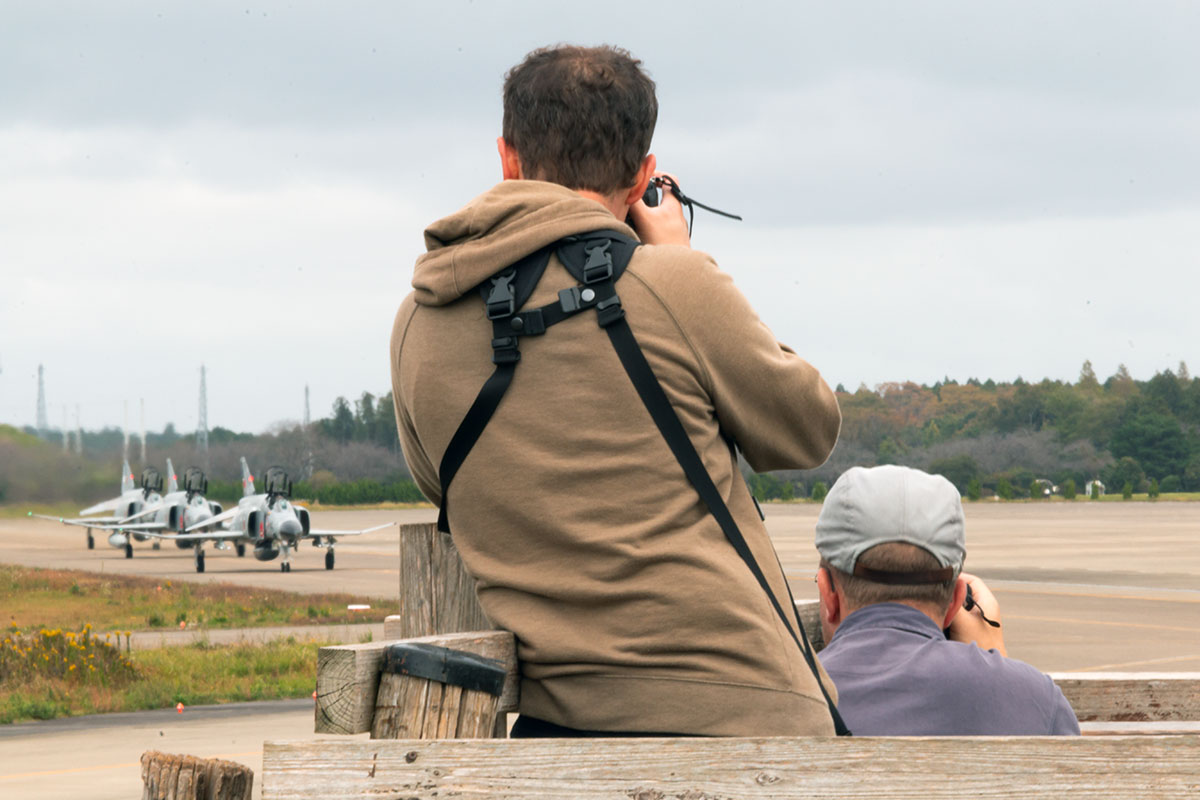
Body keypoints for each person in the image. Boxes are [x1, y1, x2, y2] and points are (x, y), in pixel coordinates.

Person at [390, 44, 843, 737]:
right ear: (643, 177)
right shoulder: (673, 283)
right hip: (742, 716)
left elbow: (440, 482)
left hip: (561, 725)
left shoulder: (420, 318)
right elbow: (807, 429)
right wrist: (679, 259)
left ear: (507, 159)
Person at [813, 464, 1081, 735]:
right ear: (955, 601)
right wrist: (997, 665)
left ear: (828, 593)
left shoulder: (793, 699)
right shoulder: (1039, 701)